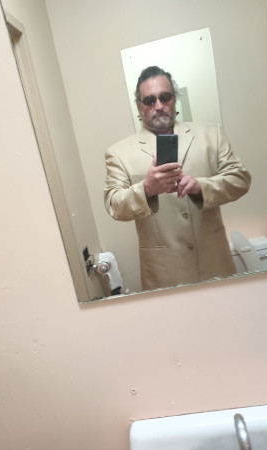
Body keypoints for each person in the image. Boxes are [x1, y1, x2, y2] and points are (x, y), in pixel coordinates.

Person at [104, 66, 251, 291]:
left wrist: (200, 187)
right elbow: (114, 204)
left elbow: (240, 179)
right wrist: (147, 188)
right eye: (149, 100)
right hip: (164, 275)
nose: (159, 106)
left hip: (215, 266)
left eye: (165, 97)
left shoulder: (211, 134)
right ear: (139, 106)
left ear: (174, 99)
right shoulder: (119, 153)